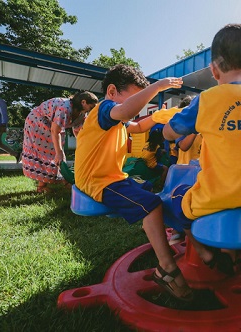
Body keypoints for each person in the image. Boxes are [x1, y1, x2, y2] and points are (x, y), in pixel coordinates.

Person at [163, 23, 241, 273]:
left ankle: (206, 255)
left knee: (174, 197)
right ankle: (231, 254)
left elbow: (170, 133)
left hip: (217, 200)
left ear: (213, 70)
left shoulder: (207, 100)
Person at [74, 64, 192, 302]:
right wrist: (157, 87)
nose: (140, 102)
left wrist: (162, 117)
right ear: (111, 91)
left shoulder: (115, 117)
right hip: (98, 181)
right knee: (151, 204)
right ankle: (166, 267)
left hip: (113, 176)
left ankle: (172, 236)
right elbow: (127, 112)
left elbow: (137, 126)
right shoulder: (104, 109)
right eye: (136, 95)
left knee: (156, 196)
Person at [22, 91, 98, 193]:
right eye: (92, 106)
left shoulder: (82, 114)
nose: (93, 110)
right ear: (83, 102)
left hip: (52, 127)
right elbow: (55, 131)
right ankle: (42, 186)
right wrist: (59, 152)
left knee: (57, 151)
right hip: (36, 123)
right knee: (52, 152)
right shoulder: (64, 108)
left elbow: (79, 132)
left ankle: (65, 181)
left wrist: (84, 149)